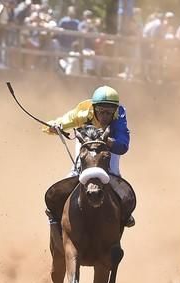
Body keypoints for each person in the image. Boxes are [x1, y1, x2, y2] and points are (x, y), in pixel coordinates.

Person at [43, 85, 134, 227]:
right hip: (86, 142)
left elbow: (123, 144)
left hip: (108, 146)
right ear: (94, 108)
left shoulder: (119, 115)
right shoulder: (83, 112)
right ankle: (54, 212)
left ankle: (125, 213)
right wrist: (53, 126)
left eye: (108, 112)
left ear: (115, 111)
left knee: (114, 173)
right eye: (100, 111)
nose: (104, 116)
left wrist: (110, 142)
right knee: (75, 171)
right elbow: (63, 121)